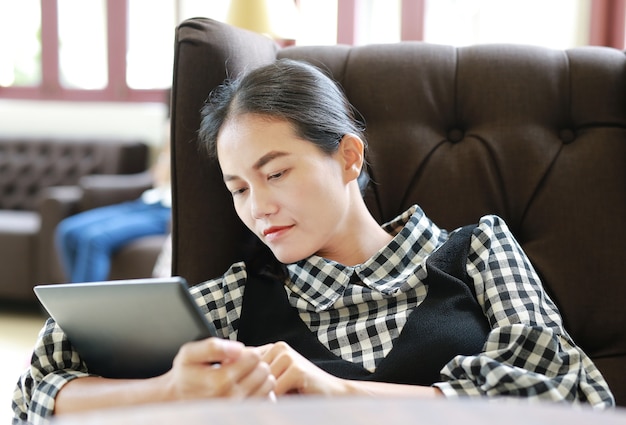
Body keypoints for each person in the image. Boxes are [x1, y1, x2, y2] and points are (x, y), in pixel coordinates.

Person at [13, 59, 614, 423]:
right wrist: (171, 389)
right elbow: (37, 391)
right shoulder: (232, 299)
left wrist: (335, 392)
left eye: (275, 173)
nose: (259, 207)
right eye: (238, 188)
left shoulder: (477, 252)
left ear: (348, 156)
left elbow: (571, 399)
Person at [54, 139, 172, 283]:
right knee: (67, 230)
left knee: (94, 239)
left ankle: (88, 304)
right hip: (148, 202)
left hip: (167, 212)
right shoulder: (171, 138)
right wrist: (168, 147)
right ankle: (75, 295)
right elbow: (157, 177)